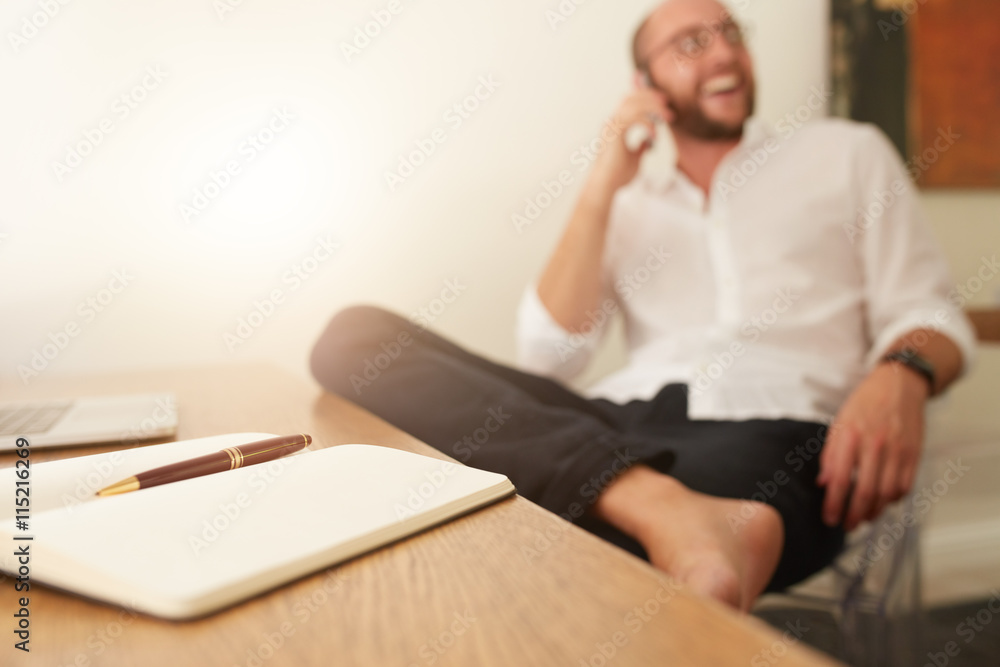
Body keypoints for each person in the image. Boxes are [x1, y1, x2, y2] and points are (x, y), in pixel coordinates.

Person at [310, 0, 976, 612]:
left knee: (572, 552)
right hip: (611, 423)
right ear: (644, 82)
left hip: (775, 433)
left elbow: (930, 313)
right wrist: (603, 184)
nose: (722, 54)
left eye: (730, 35)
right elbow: (549, 358)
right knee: (352, 339)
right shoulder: (625, 203)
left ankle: (663, 518)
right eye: (690, 43)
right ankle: (662, 509)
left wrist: (902, 372)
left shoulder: (845, 153)